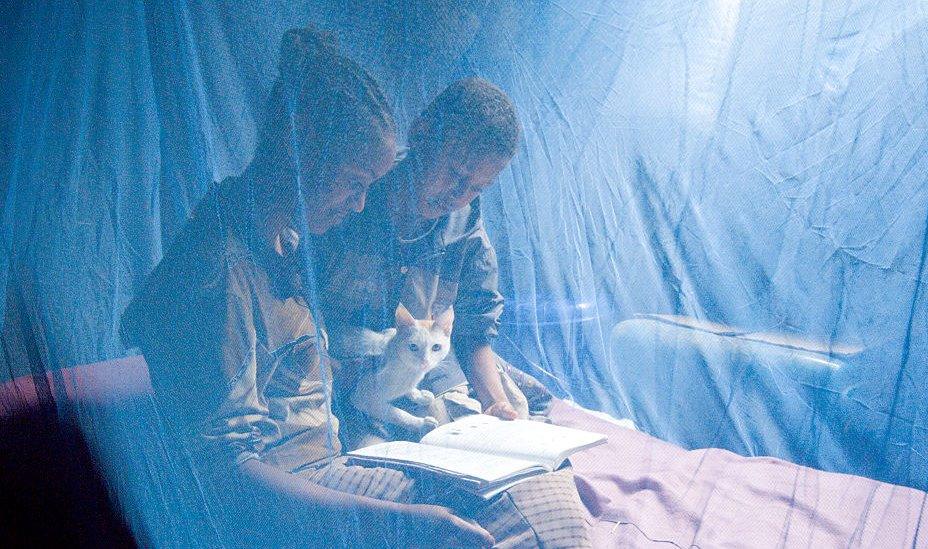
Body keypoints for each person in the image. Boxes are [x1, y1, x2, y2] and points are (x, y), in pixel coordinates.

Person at [120, 28, 497, 548]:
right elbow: (228, 480)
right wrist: (388, 522)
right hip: (276, 510)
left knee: (497, 488)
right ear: (299, 157)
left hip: (328, 462)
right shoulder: (222, 270)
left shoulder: (284, 240)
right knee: (478, 515)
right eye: (353, 183)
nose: (360, 206)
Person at [314, 77, 592, 547]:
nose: (458, 194)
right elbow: (305, 310)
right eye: (455, 173)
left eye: (477, 186)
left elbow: (475, 329)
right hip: (348, 368)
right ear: (421, 134)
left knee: (522, 426)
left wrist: (493, 402)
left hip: (430, 364)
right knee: (377, 459)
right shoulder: (351, 199)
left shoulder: (467, 230)